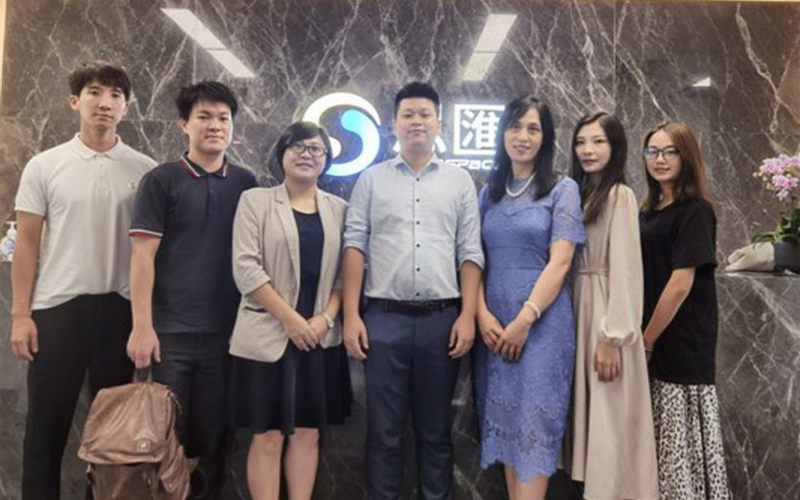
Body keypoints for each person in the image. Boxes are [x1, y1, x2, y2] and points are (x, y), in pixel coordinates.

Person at [10, 61, 156, 499]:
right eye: (94, 92)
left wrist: (146, 322)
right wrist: (20, 315)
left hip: (120, 311)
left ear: (126, 107)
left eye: (115, 94)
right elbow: (26, 244)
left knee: (113, 436)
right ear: (75, 101)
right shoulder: (44, 165)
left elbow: (152, 251)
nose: (104, 102)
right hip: (57, 310)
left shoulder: (146, 170)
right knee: (45, 430)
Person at [342, 81, 483, 499]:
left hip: (443, 321)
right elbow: (355, 245)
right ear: (394, 124)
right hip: (384, 320)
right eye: (408, 114)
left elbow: (470, 251)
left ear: (439, 123)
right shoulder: (371, 179)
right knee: (383, 432)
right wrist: (351, 315)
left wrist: (468, 315)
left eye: (425, 114)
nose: (417, 121)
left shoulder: (459, 181)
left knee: (436, 431)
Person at [125, 81, 257, 499]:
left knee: (216, 436)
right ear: (184, 124)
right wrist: (142, 327)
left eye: (223, 118)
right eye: (204, 117)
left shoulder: (246, 183)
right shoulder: (161, 180)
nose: (214, 125)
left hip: (228, 335)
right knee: (168, 435)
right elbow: (142, 257)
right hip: (170, 335)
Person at [227, 121, 352, 500]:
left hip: (318, 338)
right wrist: (291, 319)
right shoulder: (256, 201)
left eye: (315, 149)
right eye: (297, 146)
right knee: (267, 436)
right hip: (269, 336)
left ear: (326, 159)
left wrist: (325, 319)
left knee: (308, 433)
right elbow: (246, 269)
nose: (306, 154)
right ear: (282, 153)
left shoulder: (339, 210)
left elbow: (345, 276)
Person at [473, 95, 585, 500]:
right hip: (493, 330)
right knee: (506, 429)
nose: (522, 136)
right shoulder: (488, 194)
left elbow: (561, 261)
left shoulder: (562, 189)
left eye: (533, 128)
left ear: (545, 137)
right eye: (515, 126)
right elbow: (474, 261)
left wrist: (525, 319)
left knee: (534, 429)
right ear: (502, 133)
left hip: (541, 328)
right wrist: (481, 314)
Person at [564, 112, 658, 500]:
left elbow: (627, 270)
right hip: (577, 308)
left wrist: (612, 337)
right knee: (590, 421)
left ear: (615, 146)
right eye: (581, 142)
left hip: (605, 313)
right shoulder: (578, 193)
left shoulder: (620, 195)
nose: (587, 150)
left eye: (598, 141)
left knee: (609, 421)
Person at [639, 122, 730, 499]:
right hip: (653, 335)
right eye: (652, 151)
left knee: (681, 446)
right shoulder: (648, 210)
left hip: (681, 339)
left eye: (669, 151)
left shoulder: (695, 212)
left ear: (686, 156)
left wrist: (647, 340)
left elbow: (680, 284)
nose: (659, 159)